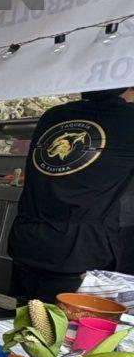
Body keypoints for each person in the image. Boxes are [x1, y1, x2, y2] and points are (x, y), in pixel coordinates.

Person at [9, 86, 134, 301]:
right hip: (78, 251)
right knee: (65, 322)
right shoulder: (128, 120)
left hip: (28, 240)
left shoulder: (54, 115)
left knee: (29, 316)